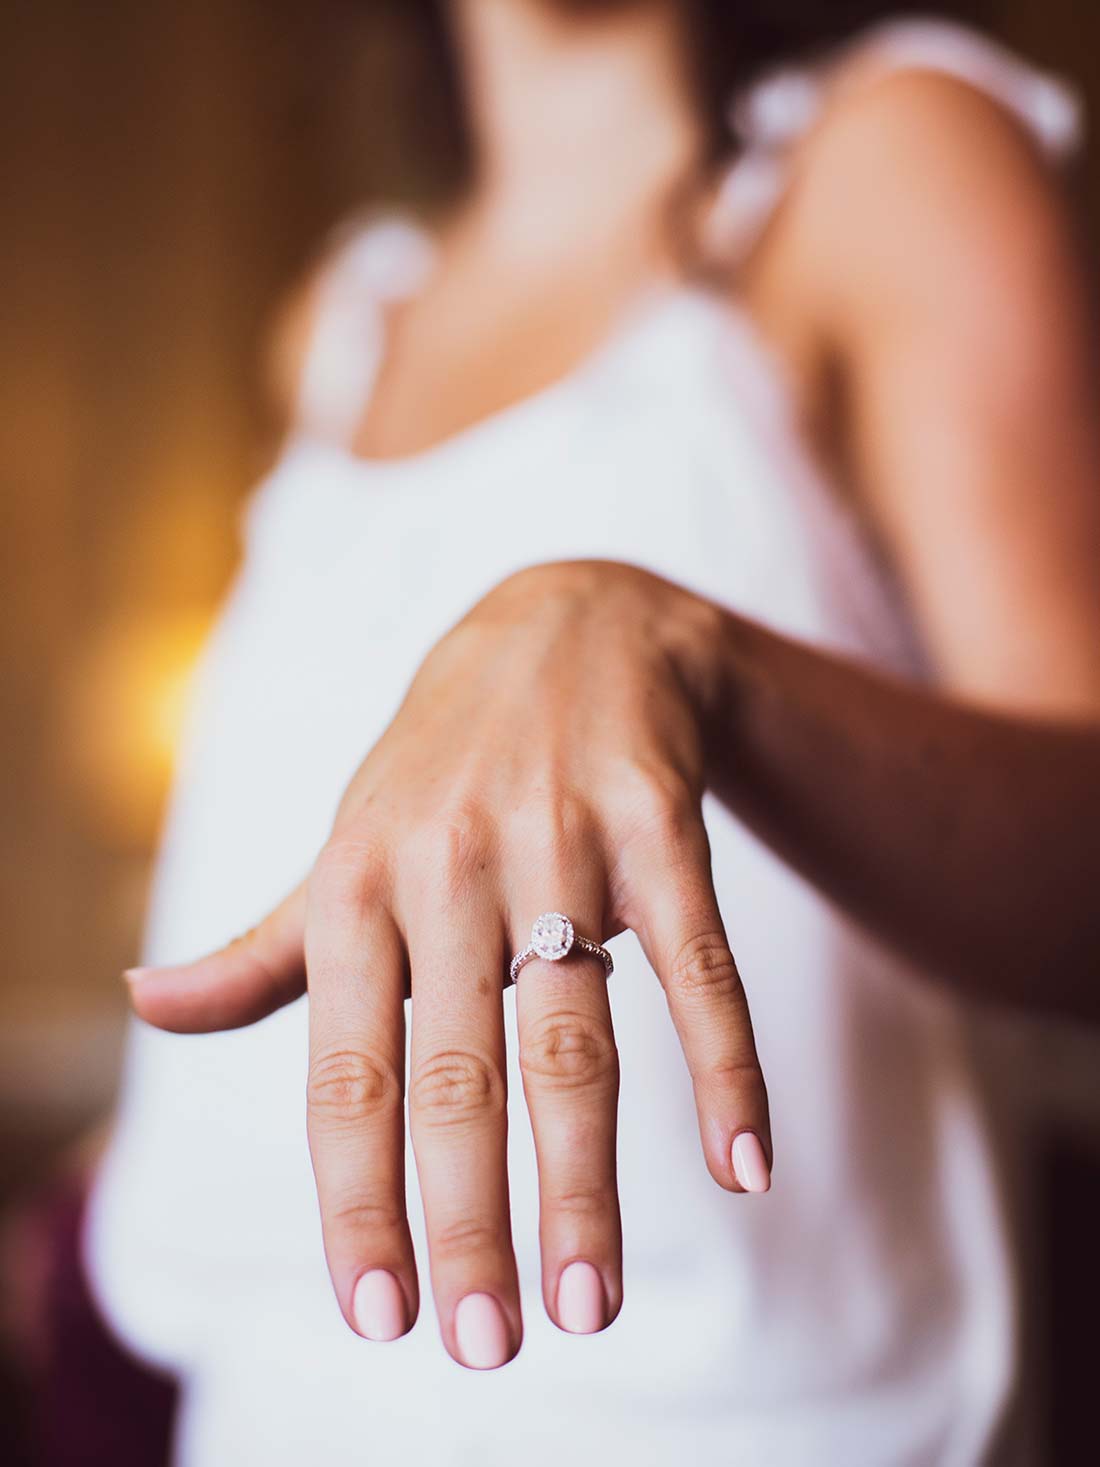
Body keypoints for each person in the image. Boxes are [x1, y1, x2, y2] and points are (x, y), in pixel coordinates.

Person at [86, 2, 1100, 1463]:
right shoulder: (340, 325)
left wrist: (689, 655)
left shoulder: (883, 160)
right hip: (272, 1410)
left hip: (743, 1415)